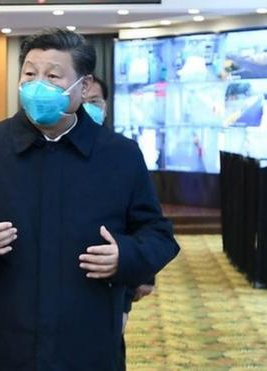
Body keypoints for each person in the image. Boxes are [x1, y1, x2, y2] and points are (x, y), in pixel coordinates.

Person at [0, 28, 180, 370]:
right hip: (3, 339)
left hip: (86, 338)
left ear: (84, 86)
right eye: (29, 74)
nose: (37, 85)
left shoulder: (119, 155)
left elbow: (158, 235)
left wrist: (125, 255)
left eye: (53, 76)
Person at [85, 76, 155, 370]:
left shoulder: (122, 152)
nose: (89, 108)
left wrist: (144, 271)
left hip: (115, 279)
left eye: (95, 102)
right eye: (84, 102)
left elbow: (145, 221)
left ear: (106, 106)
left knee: (109, 348)